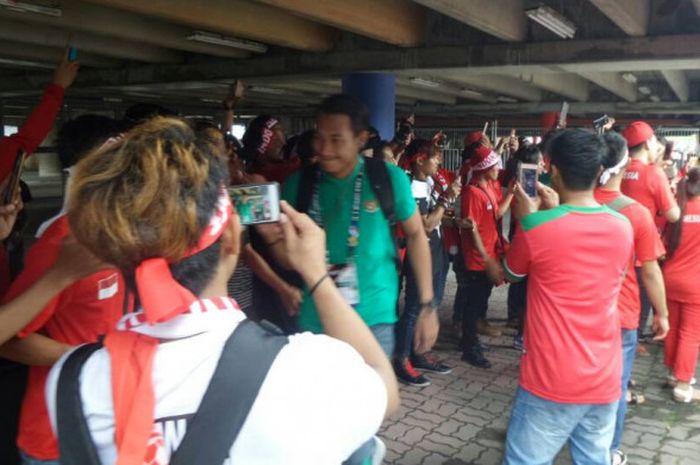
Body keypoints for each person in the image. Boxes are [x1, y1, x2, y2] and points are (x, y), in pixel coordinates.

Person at [45, 117, 399, 464]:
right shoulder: (302, 370)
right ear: (231, 237)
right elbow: (384, 386)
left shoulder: (73, 378)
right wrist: (316, 276)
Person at [496, 129, 634, 465]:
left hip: (551, 377)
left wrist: (529, 217)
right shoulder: (622, 226)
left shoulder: (538, 227)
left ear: (551, 169)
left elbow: (512, 273)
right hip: (604, 374)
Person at [0, 115, 127, 465]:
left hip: (117, 426)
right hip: (60, 441)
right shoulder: (64, 240)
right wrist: (93, 360)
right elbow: (10, 338)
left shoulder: (135, 233)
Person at [276, 94, 439, 359]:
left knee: (373, 398)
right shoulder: (299, 185)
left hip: (374, 322)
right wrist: (273, 244)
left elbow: (416, 235)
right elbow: (287, 259)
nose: (325, 149)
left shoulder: (387, 179)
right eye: (320, 137)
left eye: (337, 139)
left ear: (361, 139)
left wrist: (427, 305)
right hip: (314, 324)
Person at [595, 132, 669, 465]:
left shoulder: (573, 202)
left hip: (580, 313)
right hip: (621, 315)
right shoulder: (636, 213)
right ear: (625, 165)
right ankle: (607, 451)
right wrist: (662, 314)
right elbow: (651, 272)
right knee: (615, 387)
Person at [394, 139, 457, 386]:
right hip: (421, 255)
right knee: (413, 308)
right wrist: (446, 199)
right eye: (436, 157)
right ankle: (402, 358)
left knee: (432, 303)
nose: (439, 162)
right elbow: (426, 226)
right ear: (420, 159)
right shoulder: (411, 186)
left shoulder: (428, 182)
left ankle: (419, 352)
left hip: (437, 252)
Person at [620, 121, 680, 344]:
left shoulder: (620, 169)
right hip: (641, 256)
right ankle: (624, 368)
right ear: (647, 144)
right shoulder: (653, 173)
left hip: (615, 250)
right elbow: (673, 215)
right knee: (637, 312)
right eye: (654, 140)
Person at [459, 145, 513, 368]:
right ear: (485, 168)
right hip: (478, 258)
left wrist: (510, 193)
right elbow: (471, 228)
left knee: (480, 301)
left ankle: (471, 342)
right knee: (473, 304)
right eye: (494, 165)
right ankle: (469, 348)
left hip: (488, 254)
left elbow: (497, 213)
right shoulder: (472, 193)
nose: (498, 169)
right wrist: (485, 257)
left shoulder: (488, 188)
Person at [663, 167, 700, 403]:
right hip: (695, 283)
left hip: (669, 279)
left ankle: (672, 374)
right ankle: (683, 385)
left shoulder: (677, 209)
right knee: (691, 334)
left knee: (673, 328)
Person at [241, 115, 299, 183]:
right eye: (275, 142)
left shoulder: (285, 165)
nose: (283, 143)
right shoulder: (264, 174)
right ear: (261, 146)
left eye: (283, 134)